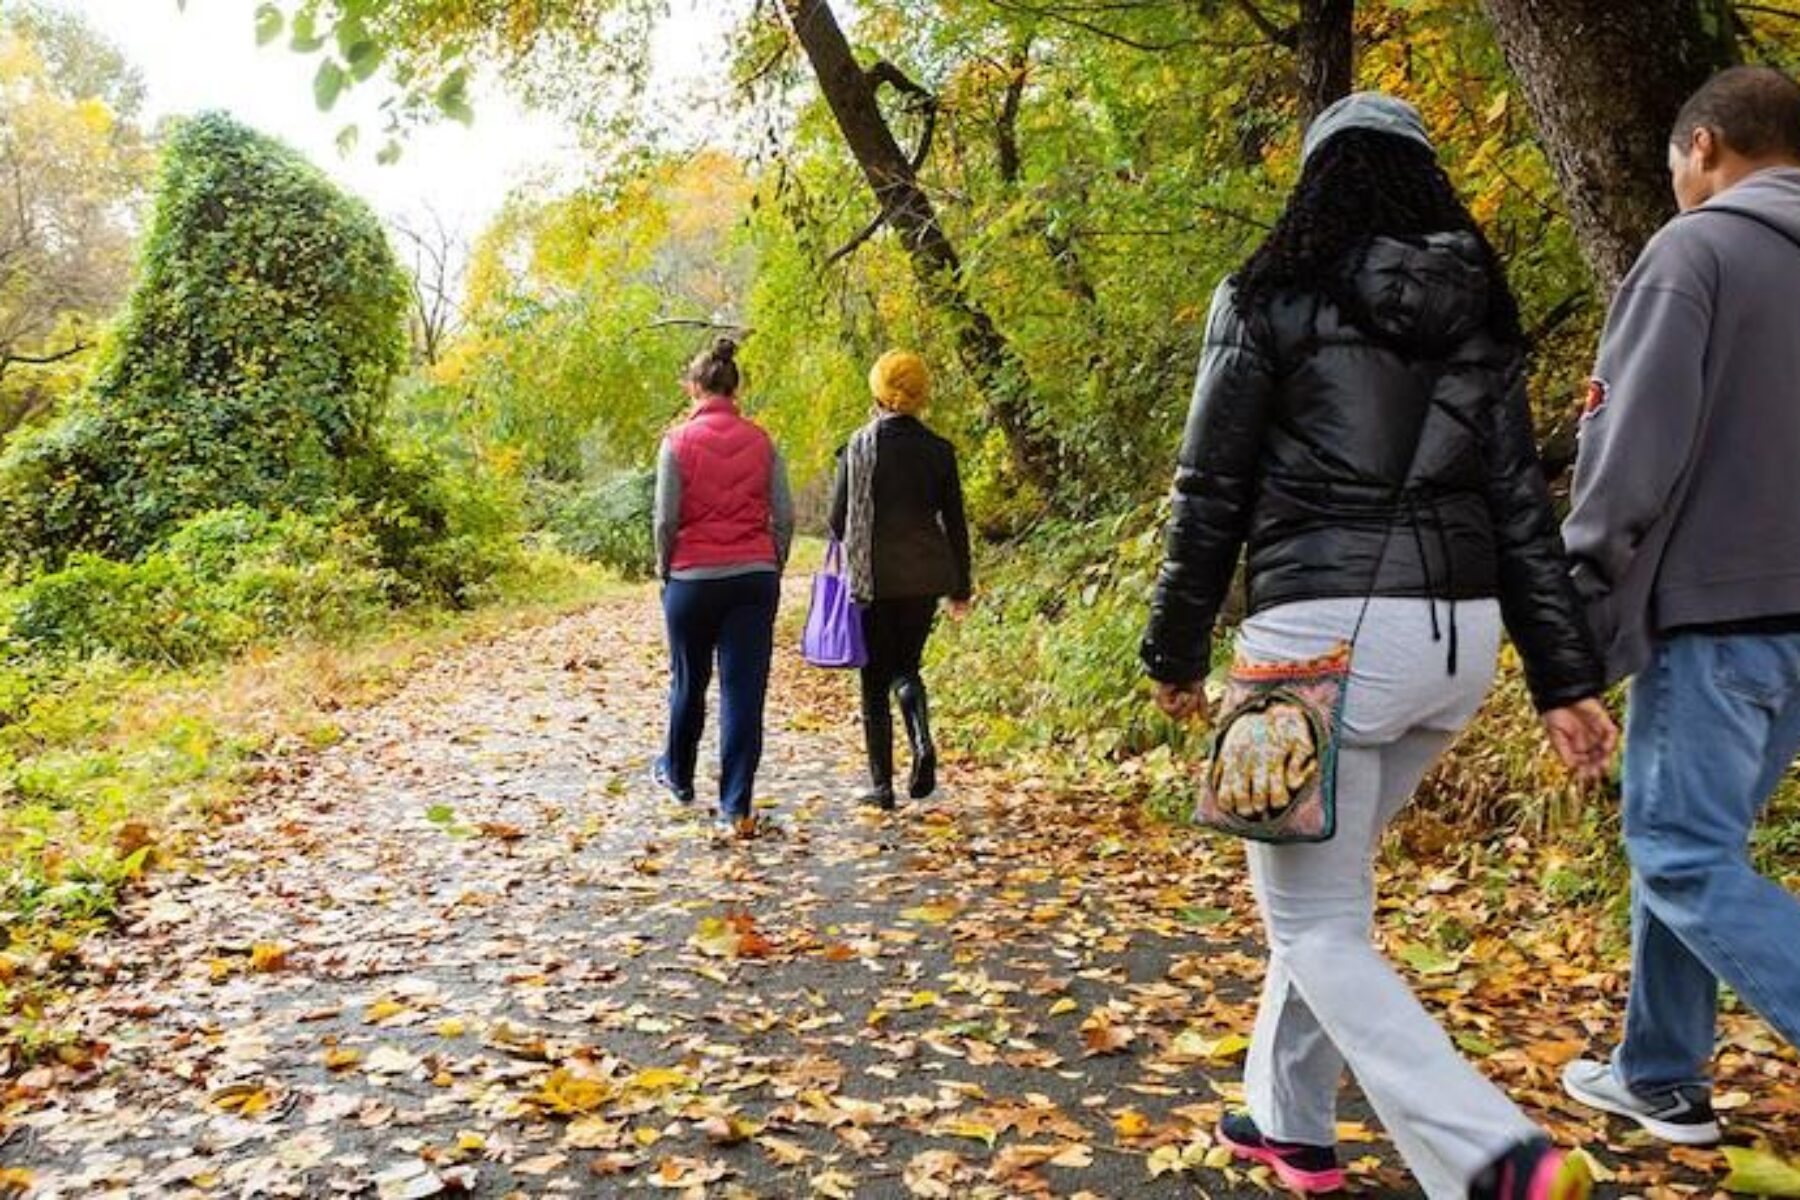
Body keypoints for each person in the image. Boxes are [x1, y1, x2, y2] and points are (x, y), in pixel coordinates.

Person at [1141, 93, 1617, 1200]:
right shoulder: (1480, 313)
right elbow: (1519, 507)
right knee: (1322, 912)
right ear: (1424, 180)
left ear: (1320, 180)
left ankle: (1493, 1155)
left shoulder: (1268, 294)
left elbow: (1211, 487)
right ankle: (1289, 1123)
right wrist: (1563, 678)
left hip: (1318, 637)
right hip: (1454, 650)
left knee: (1314, 924)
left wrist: (1172, 647)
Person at [1558, 66, 1800, 1146]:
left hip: (1721, 614)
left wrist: (1579, 589)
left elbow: (1628, 447)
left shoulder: (1696, 252)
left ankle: (1657, 1070)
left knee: (1680, 851)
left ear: (1704, 144)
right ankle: (1658, 1073)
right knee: (1698, 841)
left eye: (1673, 163)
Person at [651, 338, 794, 838]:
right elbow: (786, 515)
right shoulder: (762, 441)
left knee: (688, 681)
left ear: (694, 388)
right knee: (743, 693)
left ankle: (679, 777)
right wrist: (771, 564)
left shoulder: (676, 442)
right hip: (752, 579)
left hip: (692, 580)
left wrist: (664, 571)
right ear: (736, 388)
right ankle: (737, 807)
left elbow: (666, 519)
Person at [827, 350, 972, 811]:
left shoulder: (859, 447)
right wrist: (960, 587)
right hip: (926, 576)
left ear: (877, 391)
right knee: (906, 667)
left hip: (875, 578)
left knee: (873, 680)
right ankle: (922, 742)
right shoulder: (939, 450)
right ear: (922, 394)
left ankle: (882, 787)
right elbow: (956, 523)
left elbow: (836, 520)